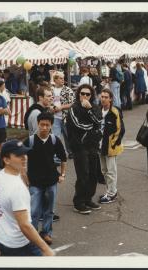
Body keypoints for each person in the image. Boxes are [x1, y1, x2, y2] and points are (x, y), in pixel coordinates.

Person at [0, 139, 54, 256]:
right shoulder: (17, 188)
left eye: (25, 153)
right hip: (19, 244)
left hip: (2, 238)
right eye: (18, 155)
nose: (24, 157)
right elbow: (24, 225)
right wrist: (45, 249)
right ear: (6, 160)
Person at [24, 112, 67, 244]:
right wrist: (25, 178)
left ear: (51, 125)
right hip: (35, 182)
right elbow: (22, 160)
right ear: (37, 124)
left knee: (49, 210)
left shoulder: (54, 140)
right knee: (34, 211)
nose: (44, 127)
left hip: (51, 180)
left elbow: (63, 158)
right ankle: (33, 234)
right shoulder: (30, 141)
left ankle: (46, 233)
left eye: (47, 125)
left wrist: (62, 174)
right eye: (42, 124)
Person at [66, 84, 102, 214]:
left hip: (92, 145)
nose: (85, 96)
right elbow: (78, 125)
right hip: (79, 146)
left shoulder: (94, 107)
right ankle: (78, 202)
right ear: (78, 94)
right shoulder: (73, 108)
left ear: (91, 95)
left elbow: (98, 121)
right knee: (83, 174)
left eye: (88, 94)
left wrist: (90, 110)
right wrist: (92, 126)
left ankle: (88, 199)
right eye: (82, 93)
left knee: (93, 174)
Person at [99, 88, 124, 204]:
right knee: (104, 170)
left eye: (106, 97)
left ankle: (112, 194)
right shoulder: (98, 110)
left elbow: (120, 130)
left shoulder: (114, 112)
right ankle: (109, 191)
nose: (103, 99)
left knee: (111, 171)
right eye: (102, 96)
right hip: (100, 146)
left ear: (110, 99)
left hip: (110, 147)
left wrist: (113, 143)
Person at [51, 72, 75, 160]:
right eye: (60, 78)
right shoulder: (51, 90)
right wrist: (52, 108)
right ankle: (57, 156)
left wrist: (61, 107)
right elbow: (49, 102)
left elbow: (73, 103)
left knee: (68, 136)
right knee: (55, 136)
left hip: (66, 117)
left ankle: (71, 152)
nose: (63, 80)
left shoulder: (68, 90)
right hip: (55, 117)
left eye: (63, 78)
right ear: (55, 80)